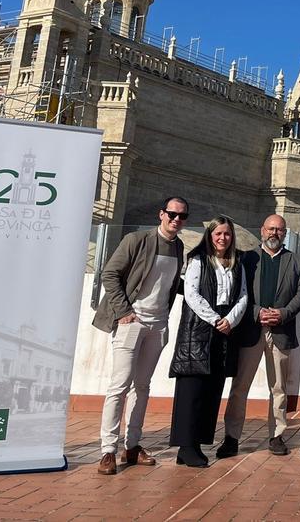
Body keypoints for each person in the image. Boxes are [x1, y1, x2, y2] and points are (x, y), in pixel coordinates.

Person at [93, 196, 188, 475]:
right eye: (172, 214)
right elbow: (110, 274)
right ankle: (107, 450)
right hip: (131, 322)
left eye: (182, 216)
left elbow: (169, 284)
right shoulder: (137, 240)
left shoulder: (179, 246)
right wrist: (124, 311)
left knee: (142, 387)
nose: (176, 220)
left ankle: (132, 445)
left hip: (158, 325)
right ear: (161, 214)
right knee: (119, 386)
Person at [217, 214, 300, 458]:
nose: (274, 233)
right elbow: (237, 293)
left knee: (278, 387)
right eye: (271, 229)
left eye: (279, 230)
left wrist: (283, 313)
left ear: (285, 234)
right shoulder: (246, 259)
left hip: (281, 331)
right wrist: (256, 313)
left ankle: (276, 435)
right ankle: (231, 437)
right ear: (262, 230)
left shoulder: (295, 261)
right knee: (239, 387)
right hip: (250, 330)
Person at [169, 215, 249, 467]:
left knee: (213, 389)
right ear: (210, 236)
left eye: (227, 234)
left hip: (224, 330)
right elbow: (191, 294)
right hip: (199, 329)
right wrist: (215, 319)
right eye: (218, 234)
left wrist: (230, 320)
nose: (223, 238)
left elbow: (243, 295)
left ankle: (198, 443)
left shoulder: (238, 264)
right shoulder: (199, 260)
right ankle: (186, 445)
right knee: (192, 389)